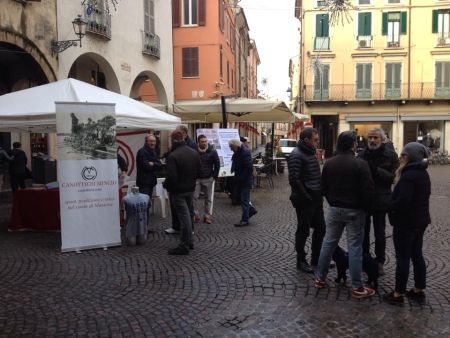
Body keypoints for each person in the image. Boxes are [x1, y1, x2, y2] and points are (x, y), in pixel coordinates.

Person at [315, 131, 376, 299]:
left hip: (335, 209)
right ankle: (357, 287)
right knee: (355, 247)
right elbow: (368, 190)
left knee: (328, 243)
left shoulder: (329, 163)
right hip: (355, 210)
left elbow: (323, 188)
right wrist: (365, 207)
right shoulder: (360, 164)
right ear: (352, 145)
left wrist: (332, 201)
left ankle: (320, 278)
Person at [383, 142, 431, 305]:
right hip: (420, 221)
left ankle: (398, 294)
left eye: (404, 155)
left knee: (403, 257)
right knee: (416, 254)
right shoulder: (422, 173)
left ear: (411, 157)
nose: (400, 157)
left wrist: (389, 206)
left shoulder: (409, 176)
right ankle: (419, 289)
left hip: (407, 223)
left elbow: (402, 202)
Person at [358, 128, 399, 275]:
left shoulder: (391, 156)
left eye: (375, 138)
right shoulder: (362, 154)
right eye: (370, 138)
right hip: (365, 199)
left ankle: (380, 262)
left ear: (382, 140)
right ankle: (365, 259)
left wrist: (376, 171)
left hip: (381, 199)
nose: (372, 141)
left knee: (379, 233)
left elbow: (392, 177)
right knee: (364, 232)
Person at [287, 128, 325, 273]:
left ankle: (316, 259)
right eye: (315, 140)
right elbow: (294, 180)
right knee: (303, 231)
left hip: (316, 199)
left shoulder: (310, 153)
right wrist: (307, 197)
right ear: (306, 140)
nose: (317, 142)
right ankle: (301, 261)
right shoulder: (296, 155)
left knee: (321, 229)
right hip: (305, 200)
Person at [163, 130, 200, 255]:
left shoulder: (173, 156)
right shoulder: (194, 153)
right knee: (188, 216)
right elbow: (199, 172)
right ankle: (189, 242)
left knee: (185, 219)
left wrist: (166, 185)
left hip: (178, 191)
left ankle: (184, 245)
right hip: (190, 189)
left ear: (173, 140)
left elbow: (172, 176)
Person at [229, 138, 257, 227]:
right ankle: (251, 210)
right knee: (239, 197)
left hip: (245, 180)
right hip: (241, 179)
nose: (230, 149)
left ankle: (244, 220)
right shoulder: (238, 151)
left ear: (235, 146)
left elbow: (248, 168)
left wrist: (242, 179)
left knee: (244, 200)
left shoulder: (244, 152)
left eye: (231, 147)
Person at [193, 135, 220, 224]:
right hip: (196, 178)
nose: (204, 143)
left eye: (205, 141)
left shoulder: (212, 151)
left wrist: (214, 176)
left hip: (208, 178)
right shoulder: (194, 151)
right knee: (194, 197)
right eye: (202, 141)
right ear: (199, 142)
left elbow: (217, 164)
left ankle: (207, 216)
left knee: (208, 198)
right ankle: (195, 214)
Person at [136, 134, 162, 200]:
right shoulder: (141, 152)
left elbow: (160, 165)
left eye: (154, 141)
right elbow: (146, 167)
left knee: (148, 203)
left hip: (151, 182)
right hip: (144, 183)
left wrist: (153, 164)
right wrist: (155, 165)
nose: (153, 143)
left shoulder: (154, 151)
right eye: (150, 141)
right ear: (146, 142)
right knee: (145, 203)